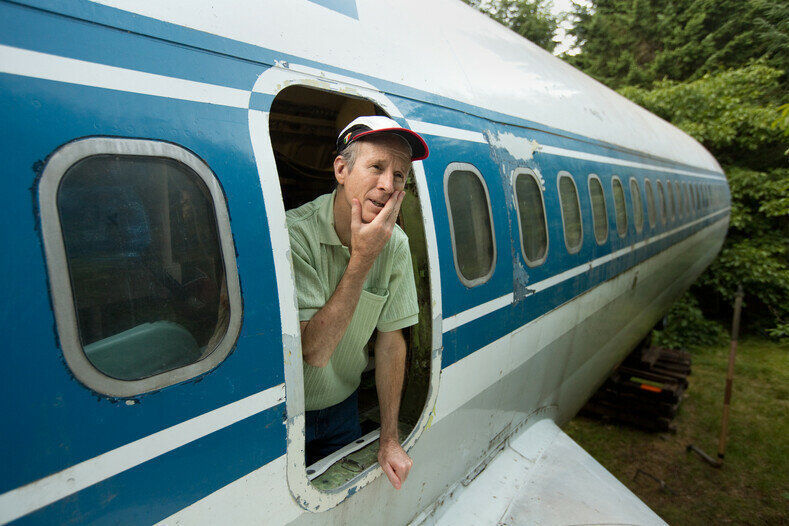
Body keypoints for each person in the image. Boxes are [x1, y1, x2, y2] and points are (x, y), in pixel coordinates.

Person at [286, 116, 429, 490]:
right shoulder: (293, 235)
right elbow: (314, 351)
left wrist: (389, 438)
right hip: (282, 418)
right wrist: (362, 259)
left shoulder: (395, 243)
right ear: (341, 169)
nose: (387, 185)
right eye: (377, 167)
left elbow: (391, 343)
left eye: (399, 175)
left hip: (343, 409)